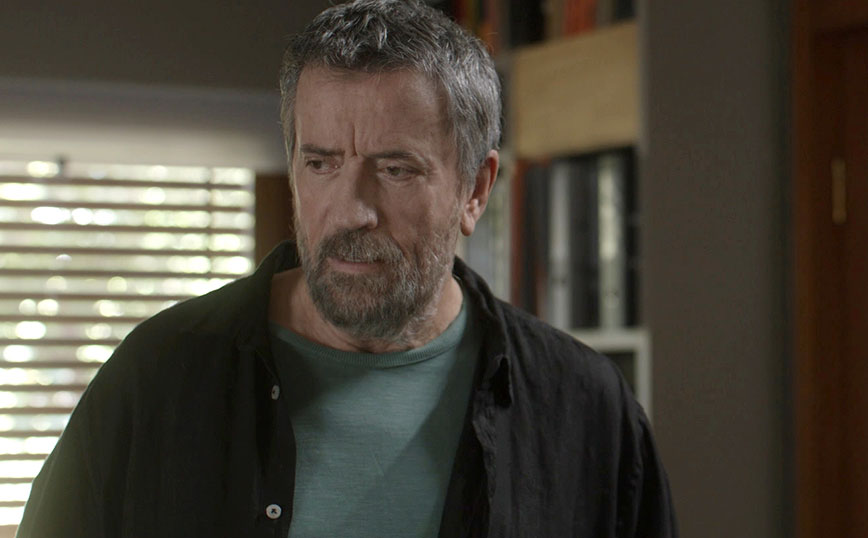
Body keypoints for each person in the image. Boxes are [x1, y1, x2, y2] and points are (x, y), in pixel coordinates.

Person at [17, 1, 676, 536]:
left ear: (476, 190)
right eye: (321, 163)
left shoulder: (585, 409)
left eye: (395, 169)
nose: (351, 211)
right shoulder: (159, 376)